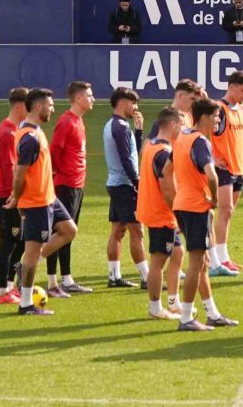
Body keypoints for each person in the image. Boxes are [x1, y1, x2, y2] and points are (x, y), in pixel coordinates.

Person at [8, 88, 77, 318]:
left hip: (49, 197)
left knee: (69, 230)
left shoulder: (35, 130)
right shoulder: (29, 138)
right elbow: (19, 174)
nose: (53, 108)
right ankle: (26, 304)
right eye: (50, 105)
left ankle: (27, 265)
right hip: (36, 202)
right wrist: (18, 198)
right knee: (31, 251)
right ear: (38, 107)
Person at [174, 97, 237, 329]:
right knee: (196, 262)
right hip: (196, 206)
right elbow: (211, 175)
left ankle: (212, 313)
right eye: (216, 116)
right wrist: (214, 197)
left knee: (202, 262)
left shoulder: (183, 137)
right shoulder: (200, 141)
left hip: (183, 203)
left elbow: (170, 167)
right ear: (204, 117)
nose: (218, 120)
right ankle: (187, 317)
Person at [136, 106, 184, 322]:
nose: (182, 129)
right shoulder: (162, 152)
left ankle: (174, 302)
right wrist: (179, 212)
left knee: (178, 253)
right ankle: (155, 307)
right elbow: (166, 186)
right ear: (173, 125)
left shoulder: (151, 145)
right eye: (180, 125)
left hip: (157, 211)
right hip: (161, 214)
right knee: (158, 262)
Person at [47, 81, 94, 294]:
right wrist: (55, 174)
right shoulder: (66, 122)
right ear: (77, 98)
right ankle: (52, 281)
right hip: (65, 185)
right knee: (60, 232)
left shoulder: (78, 122)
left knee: (69, 233)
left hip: (76, 185)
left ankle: (66, 279)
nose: (93, 99)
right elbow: (54, 151)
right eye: (89, 95)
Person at [101, 87, 145, 289]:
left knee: (118, 230)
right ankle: (147, 278)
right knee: (137, 232)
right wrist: (137, 183)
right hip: (125, 186)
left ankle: (114, 276)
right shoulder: (120, 128)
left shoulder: (113, 125)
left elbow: (131, 151)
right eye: (132, 102)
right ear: (122, 103)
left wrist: (138, 131)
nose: (135, 107)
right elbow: (127, 159)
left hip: (115, 183)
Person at [210, 70, 243, 278]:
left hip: (238, 168)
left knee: (229, 212)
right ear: (232, 86)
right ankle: (219, 258)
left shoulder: (241, 108)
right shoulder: (220, 109)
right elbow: (202, 132)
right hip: (223, 168)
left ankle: (223, 255)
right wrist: (212, 157)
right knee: (224, 211)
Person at [0, 87, 29, 305]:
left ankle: (10, 286)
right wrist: (15, 198)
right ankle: (1, 290)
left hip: (12, 195)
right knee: (7, 242)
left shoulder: (13, 130)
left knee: (19, 241)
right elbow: (8, 170)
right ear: (19, 106)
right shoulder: (8, 133)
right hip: (7, 196)